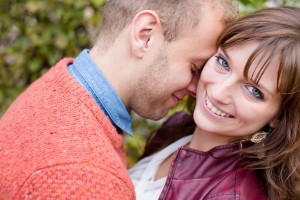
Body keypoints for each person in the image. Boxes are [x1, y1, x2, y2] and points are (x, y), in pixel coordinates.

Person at [0, 0, 239, 199]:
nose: (198, 89)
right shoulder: (86, 179)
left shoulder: (58, 87)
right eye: (195, 67)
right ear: (145, 35)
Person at [129, 6, 300, 200]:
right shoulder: (176, 128)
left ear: (279, 116)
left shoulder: (233, 195)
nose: (218, 92)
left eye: (254, 91)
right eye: (223, 63)